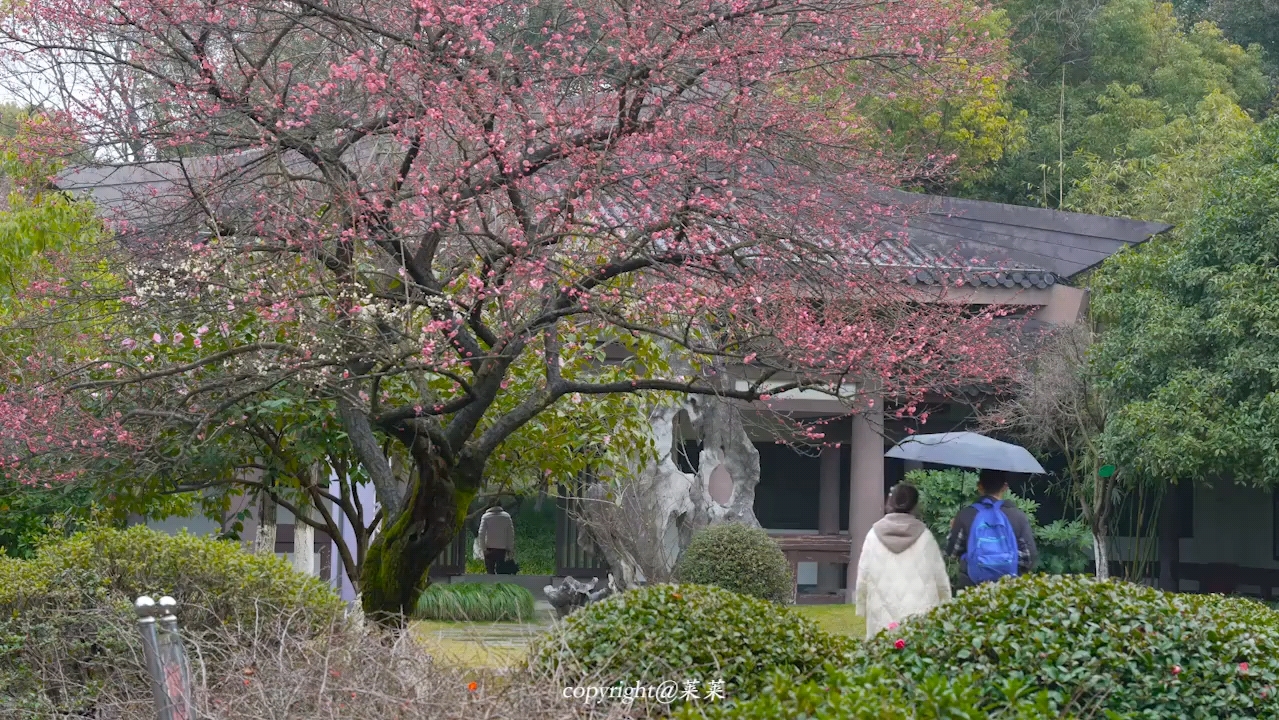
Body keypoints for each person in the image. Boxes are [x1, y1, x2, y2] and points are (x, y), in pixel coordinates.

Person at [855, 483, 952, 639]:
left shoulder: (873, 535)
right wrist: (946, 604)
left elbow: (863, 575)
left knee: (881, 654)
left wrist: (861, 606)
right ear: (915, 504)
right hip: (919, 613)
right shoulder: (925, 536)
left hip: (881, 611)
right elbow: (940, 576)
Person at [946, 469, 1038, 588]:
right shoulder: (1018, 516)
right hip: (1008, 589)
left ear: (980, 486)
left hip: (971, 588)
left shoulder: (966, 515)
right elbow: (1030, 556)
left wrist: (953, 528)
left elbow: (952, 552)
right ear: (1005, 487)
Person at [477, 501, 515, 574]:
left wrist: (483, 549)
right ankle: (500, 584)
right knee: (501, 571)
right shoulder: (507, 517)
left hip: (489, 549)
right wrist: (510, 548)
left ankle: (490, 584)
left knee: (490, 572)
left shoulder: (485, 517)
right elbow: (510, 534)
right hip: (502, 550)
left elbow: (481, 533)